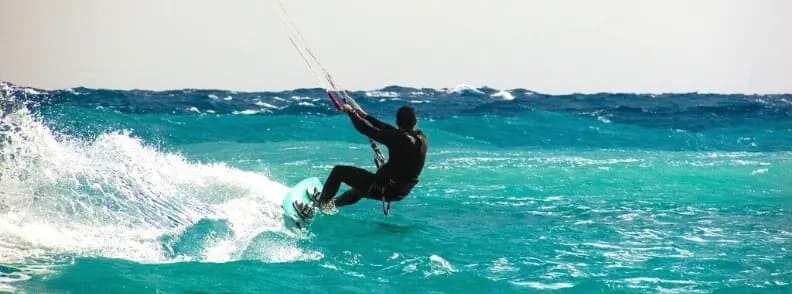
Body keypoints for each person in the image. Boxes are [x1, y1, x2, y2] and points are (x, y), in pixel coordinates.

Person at [295, 105, 427, 216]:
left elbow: (365, 129)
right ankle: (330, 203)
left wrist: (350, 112)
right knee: (359, 190)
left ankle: (318, 207)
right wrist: (365, 116)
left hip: (385, 188)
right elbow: (388, 129)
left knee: (339, 171)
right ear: (415, 122)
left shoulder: (400, 139)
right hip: (400, 191)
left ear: (398, 122)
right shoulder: (420, 137)